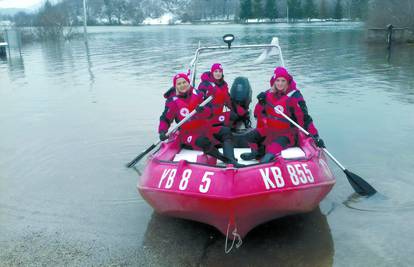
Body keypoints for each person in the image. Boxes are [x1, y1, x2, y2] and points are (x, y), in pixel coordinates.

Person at [241, 67, 325, 163]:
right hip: (270, 130)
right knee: (250, 136)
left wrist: (315, 137)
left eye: (283, 81)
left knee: (272, 149)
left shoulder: (294, 96)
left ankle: (266, 161)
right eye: (277, 80)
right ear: (274, 81)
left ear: (287, 82)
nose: (280, 83)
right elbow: (257, 114)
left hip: (287, 134)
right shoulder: (268, 94)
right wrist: (261, 102)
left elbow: (305, 119)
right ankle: (257, 152)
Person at [158, 73, 242, 167]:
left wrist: (203, 111)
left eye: (184, 82)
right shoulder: (172, 102)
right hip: (188, 133)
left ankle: (231, 158)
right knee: (203, 141)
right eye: (179, 84)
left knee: (225, 131)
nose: (182, 85)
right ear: (175, 86)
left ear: (188, 82)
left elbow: (211, 113)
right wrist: (162, 131)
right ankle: (225, 159)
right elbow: (165, 118)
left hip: (205, 128)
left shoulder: (199, 94)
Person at [197, 63, 249, 129]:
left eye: (220, 71)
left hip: (218, 113)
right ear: (212, 72)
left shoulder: (223, 84)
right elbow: (198, 100)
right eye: (216, 71)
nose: (218, 73)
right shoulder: (204, 84)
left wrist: (240, 111)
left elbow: (228, 101)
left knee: (239, 115)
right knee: (232, 117)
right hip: (209, 116)